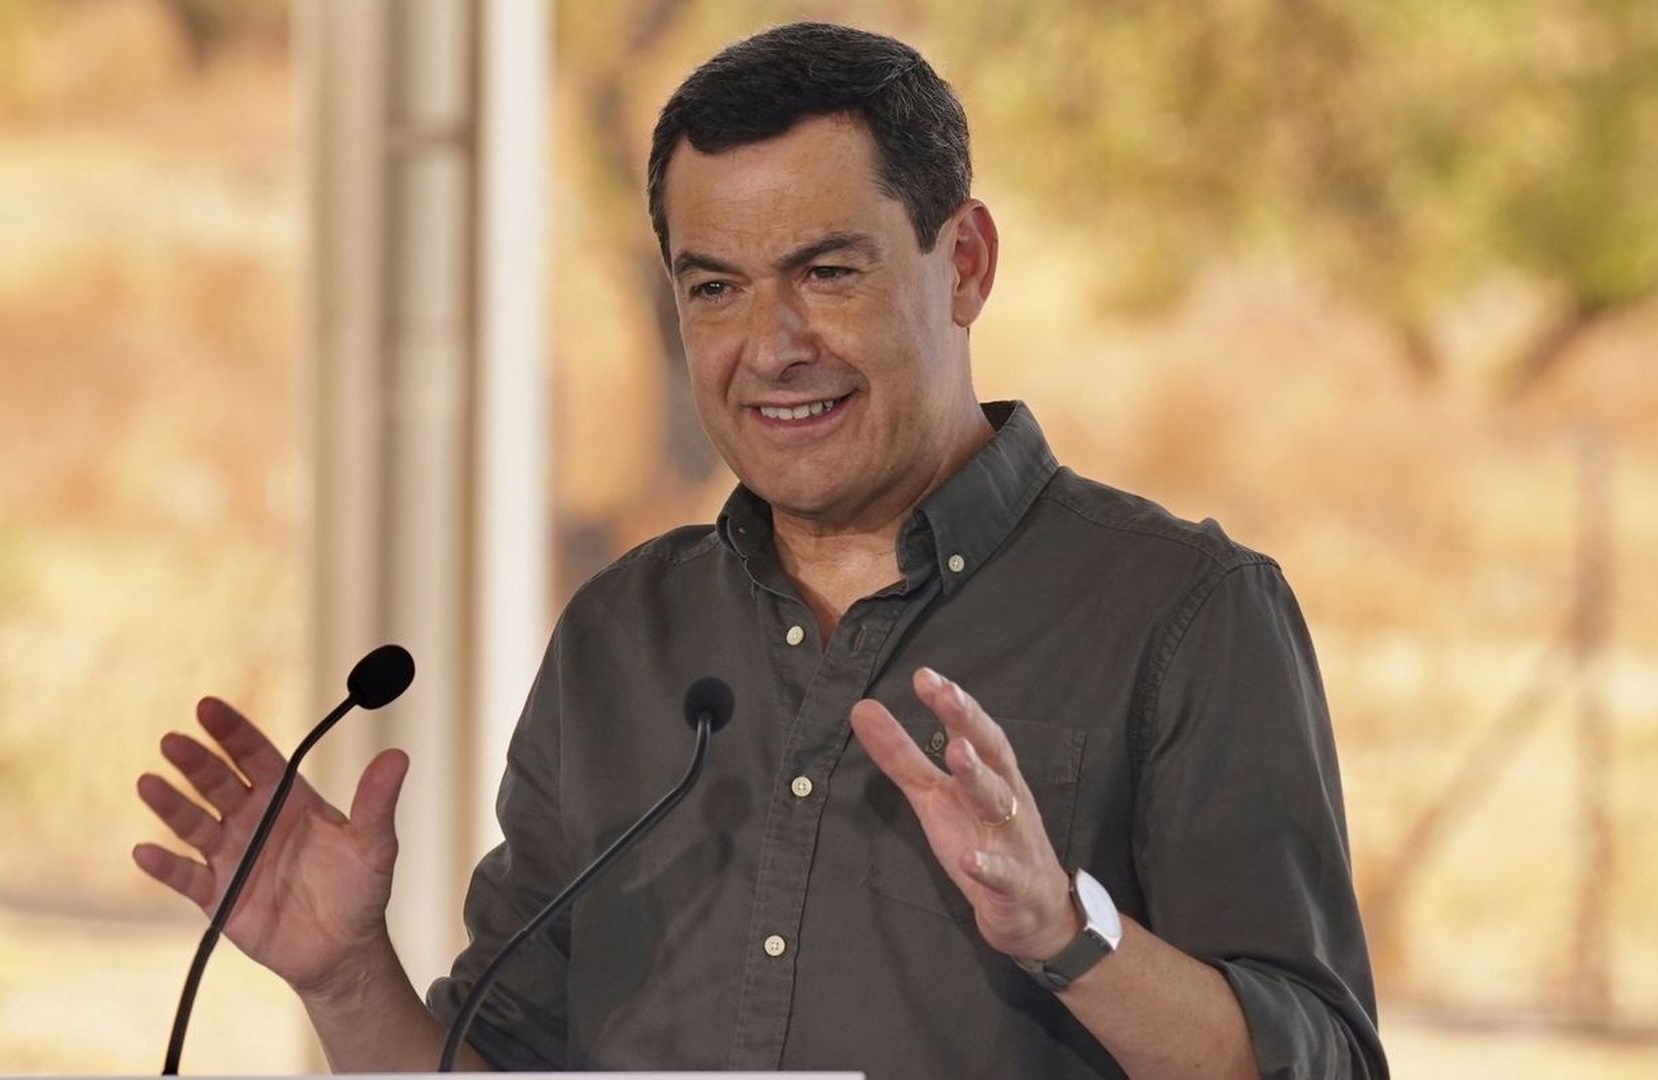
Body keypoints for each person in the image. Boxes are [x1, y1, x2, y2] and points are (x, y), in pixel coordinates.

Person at [134, 22, 1386, 1079]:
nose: (770, 345)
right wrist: (348, 980)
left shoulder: (1182, 612)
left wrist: (1068, 931)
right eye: (715, 287)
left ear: (965, 263)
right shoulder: (626, 631)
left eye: (827, 272)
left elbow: (1318, 1054)